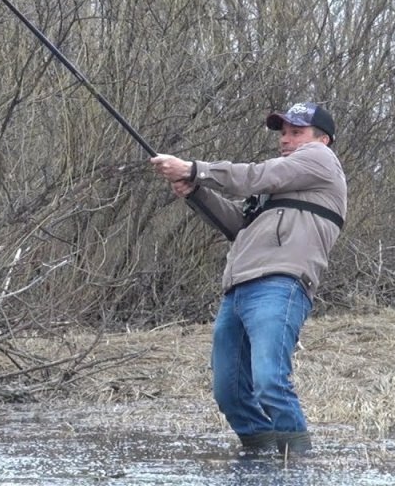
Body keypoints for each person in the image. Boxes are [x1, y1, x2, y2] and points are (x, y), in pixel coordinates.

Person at [149, 102, 347, 457]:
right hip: (238, 289)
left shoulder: (320, 160)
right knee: (230, 393)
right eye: (283, 133)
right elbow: (237, 226)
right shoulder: (276, 188)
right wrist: (196, 192)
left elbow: (255, 175)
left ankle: (297, 466)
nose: (285, 140)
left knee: (270, 381)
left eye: (296, 132)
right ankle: (263, 459)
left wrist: (195, 169)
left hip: (281, 284)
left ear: (323, 140)